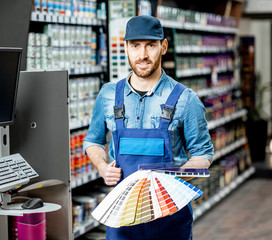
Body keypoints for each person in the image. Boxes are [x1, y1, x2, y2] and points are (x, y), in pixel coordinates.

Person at [83, 15, 214, 240]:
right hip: (122, 218)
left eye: (150, 46)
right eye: (135, 46)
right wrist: (103, 167)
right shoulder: (108, 94)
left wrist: (175, 176)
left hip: (170, 219)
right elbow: (92, 141)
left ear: (163, 47)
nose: (142, 55)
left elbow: (203, 155)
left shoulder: (186, 99)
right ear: (125, 48)